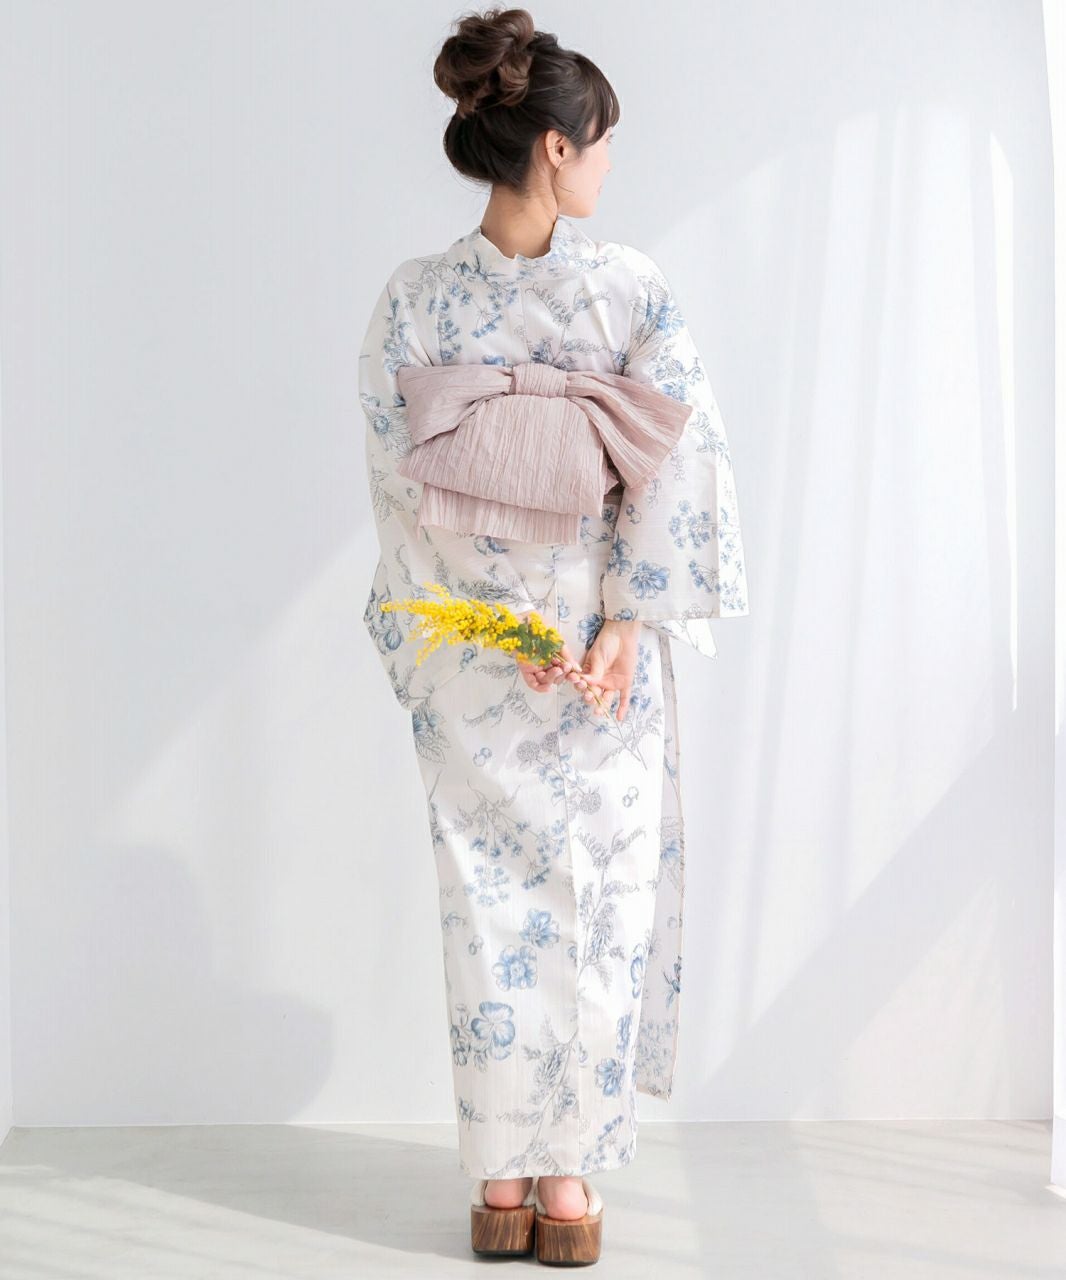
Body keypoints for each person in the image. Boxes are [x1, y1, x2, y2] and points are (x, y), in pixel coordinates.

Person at [359, 6, 749, 1261]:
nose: (610, 163)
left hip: (531, 651)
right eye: (603, 140)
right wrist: (586, 624)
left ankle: (527, 1172)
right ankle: (545, 1175)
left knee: (534, 903)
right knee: (545, 900)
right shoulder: (588, 290)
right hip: (548, 653)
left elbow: (662, 463)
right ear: (555, 149)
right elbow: (413, 475)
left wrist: (585, 623)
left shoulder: (437, 301)